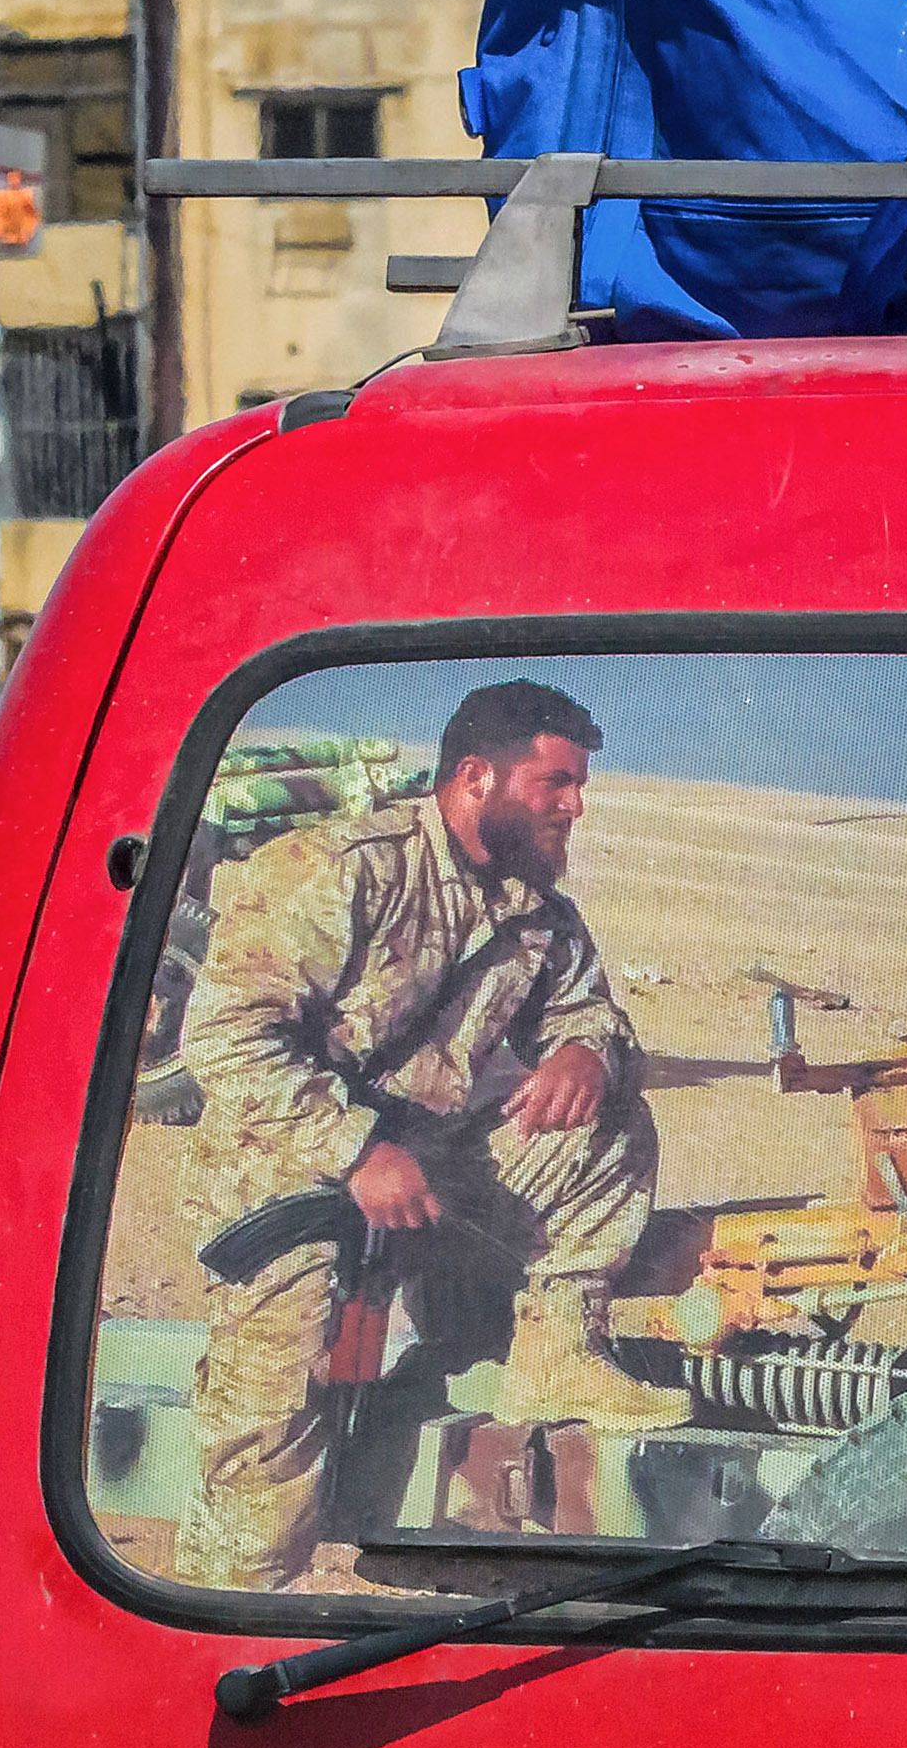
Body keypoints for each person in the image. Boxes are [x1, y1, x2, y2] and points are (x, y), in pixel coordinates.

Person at [169, 678, 672, 1588]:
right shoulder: (349, 867)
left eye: (579, 785)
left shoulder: (533, 910)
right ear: (476, 777)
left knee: (606, 1126)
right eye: (555, 783)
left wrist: (585, 1054)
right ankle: (216, 1647)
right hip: (286, 1183)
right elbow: (224, 1035)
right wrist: (356, 1150)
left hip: (422, 1179)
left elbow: (591, 1011)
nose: (575, 804)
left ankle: (559, 1349)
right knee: (269, 1460)